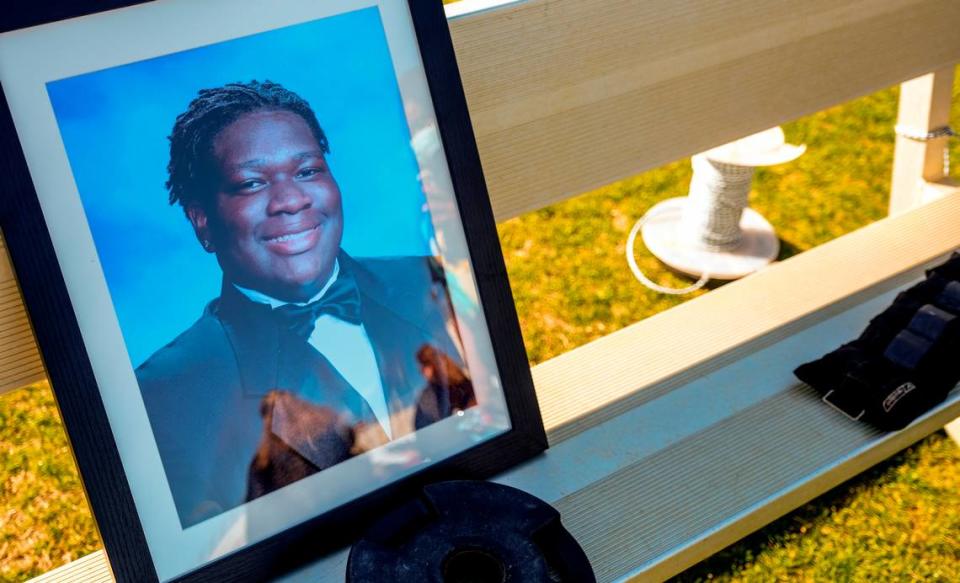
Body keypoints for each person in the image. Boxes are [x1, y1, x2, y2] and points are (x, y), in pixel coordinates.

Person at [135, 80, 475, 527]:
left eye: (307, 171)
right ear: (202, 221)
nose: (291, 200)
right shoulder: (169, 390)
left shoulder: (426, 281)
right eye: (251, 183)